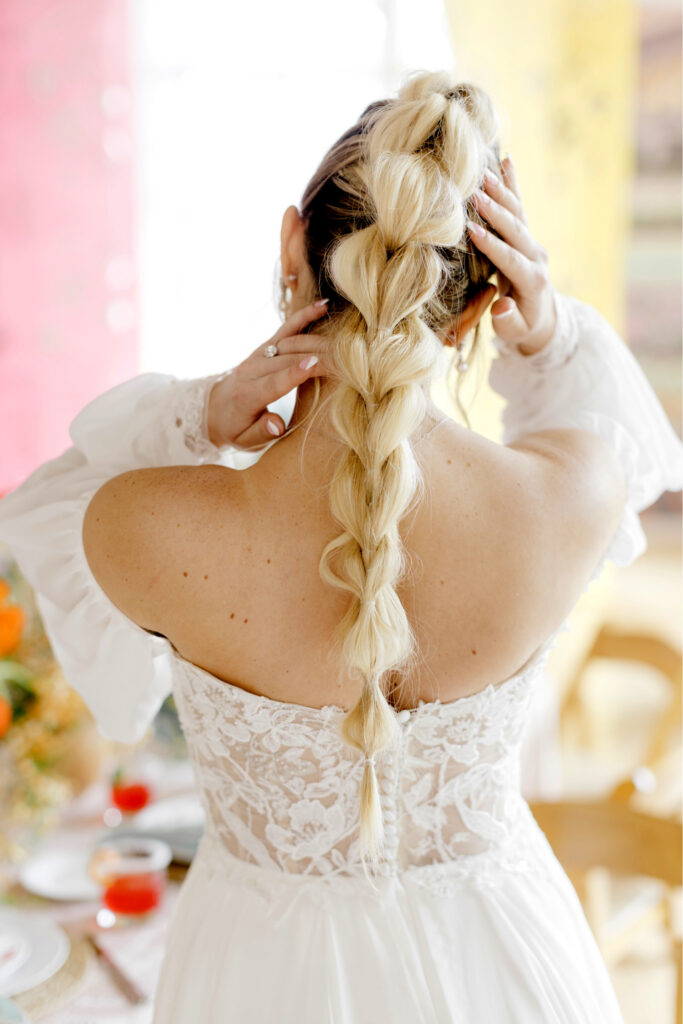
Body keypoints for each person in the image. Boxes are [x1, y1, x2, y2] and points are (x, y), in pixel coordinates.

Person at [0, 70, 681, 1023]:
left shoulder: (147, 524)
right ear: (487, 303)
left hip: (253, 973)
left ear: (294, 245)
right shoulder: (571, 494)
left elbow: (44, 507)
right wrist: (553, 334)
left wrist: (196, 415)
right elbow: (607, 424)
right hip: (509, 966)